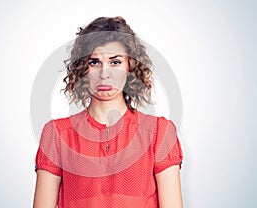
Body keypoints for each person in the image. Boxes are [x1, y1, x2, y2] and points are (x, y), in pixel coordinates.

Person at [33, 16, 183, 208]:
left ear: (130, 66)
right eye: (94, 62)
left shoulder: (159, 133)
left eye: (115, 62)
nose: (105, 74)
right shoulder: (56, 134)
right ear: (83, 69)